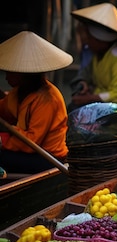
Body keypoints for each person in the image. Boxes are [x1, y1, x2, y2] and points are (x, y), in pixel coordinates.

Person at [0, 31, 73, 174]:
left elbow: (31, 141)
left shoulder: (48, 98)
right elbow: (5, 111)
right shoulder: (18, 92)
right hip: (31, 152)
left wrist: (2, 140)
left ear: (22, 73)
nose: (6, 76)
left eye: (10, 71)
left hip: (49, 158)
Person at [69, 3, 117, 122]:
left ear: (101, 41)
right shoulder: (97, 55)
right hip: (105, 105)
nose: (87, 42)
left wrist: (89, 98)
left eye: (90, 39)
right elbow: (87, 74)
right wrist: (83, 83)